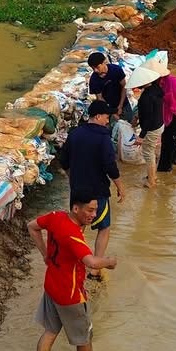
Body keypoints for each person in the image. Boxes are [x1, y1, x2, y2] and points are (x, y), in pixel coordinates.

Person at [26, 192, 118, 351]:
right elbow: (91, 262)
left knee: (50, 331)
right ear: (76, 208)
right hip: (70, 295)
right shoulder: (73, 235)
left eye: (95, 210)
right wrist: (110, 262)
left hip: (52, 286)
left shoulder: (55, 217)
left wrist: (45, 254)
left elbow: (32, 226)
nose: (94, 215)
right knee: (84, 339)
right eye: (90, 210)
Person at [57, 100, 125, 259]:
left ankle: (74, 260)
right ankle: (95, 266)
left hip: (77, 190)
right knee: (104, 227)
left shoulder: (75, 134)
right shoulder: (103, 138)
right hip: (97, 191)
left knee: (78, 226)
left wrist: (72, 177)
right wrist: (120, 187)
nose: (107, 121)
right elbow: (110, 166)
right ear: (98, 116)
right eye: (106, 117)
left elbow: (63, 160)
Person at [128, 64, 165, 188]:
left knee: (148, 154)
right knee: (151, 152)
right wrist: (138, 117)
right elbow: (151, 112)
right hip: (159, 124)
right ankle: (153, 176)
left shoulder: (146, 97)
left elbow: (148, 118)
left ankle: (151, 181)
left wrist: (141, 136)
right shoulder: (156, 89)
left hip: (152, 128)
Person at [86, 51, 129, 121]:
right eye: (93, 68)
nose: (95, 70)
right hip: (108, 107)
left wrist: (120, 105)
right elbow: (100, 98)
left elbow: (124, 86)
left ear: (104, 62)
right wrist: (112, 113)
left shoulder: (116, 70)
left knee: (128, 120)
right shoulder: (94, 80)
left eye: (97, 67)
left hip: (123, 102)